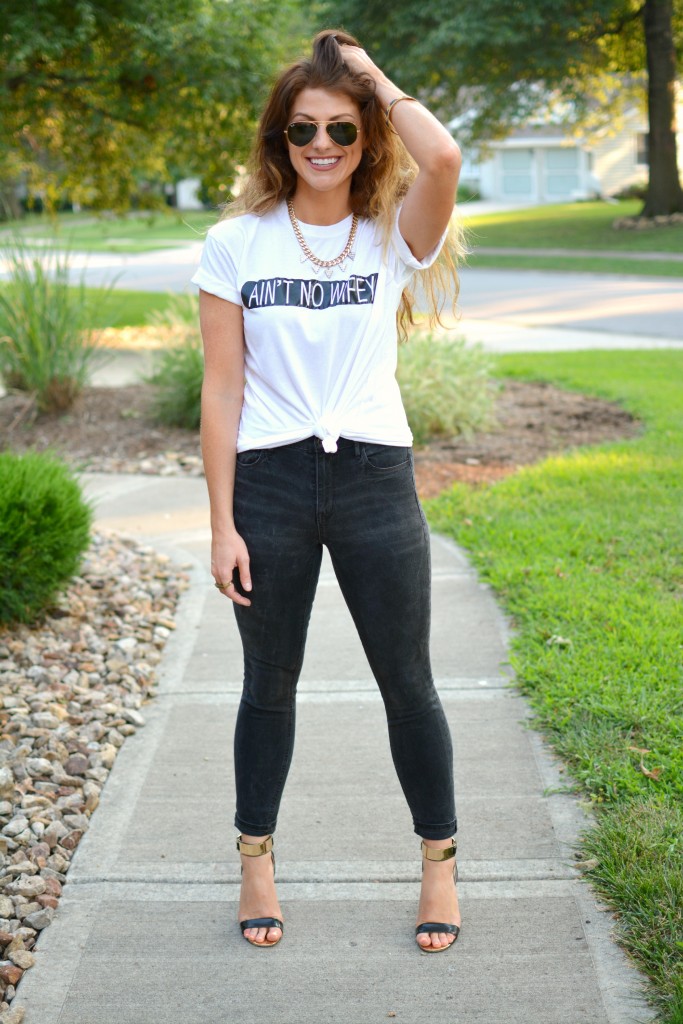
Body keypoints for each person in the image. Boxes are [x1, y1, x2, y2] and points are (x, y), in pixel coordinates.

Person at [191, 28, 465, 953]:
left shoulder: (390, 236)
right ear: (279, 138)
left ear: (364, 139)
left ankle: (438, 867)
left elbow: (445, 156)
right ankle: (256, 860)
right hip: (268, 484)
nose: (321, 145)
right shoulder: (233, 245)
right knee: (268, 686)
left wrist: (371, 77)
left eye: (341, 130)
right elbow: (222, 389)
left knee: (408, 685)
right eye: (303, 128)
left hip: (374, 481)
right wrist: (222, 522)